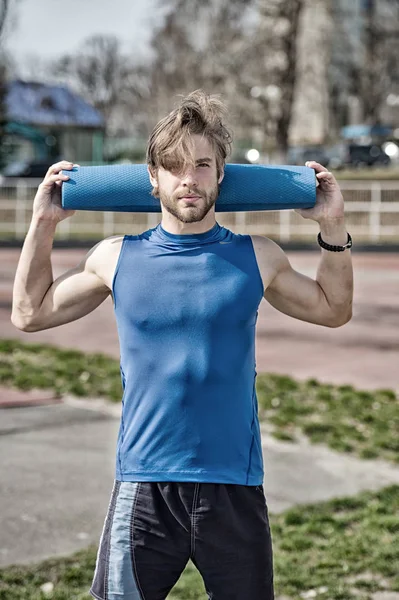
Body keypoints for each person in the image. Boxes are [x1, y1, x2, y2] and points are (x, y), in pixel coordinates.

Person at [11, 90, 353, 600]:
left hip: (234, 486)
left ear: (221, 175)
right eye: (173, 166)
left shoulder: (257, 256)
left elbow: (333, 308)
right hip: (145, 484)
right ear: (153, 177)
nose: (188, 179)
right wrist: (42, 224)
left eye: (202, 165)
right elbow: (29, 313)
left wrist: (332, 225)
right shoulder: (114, 257)